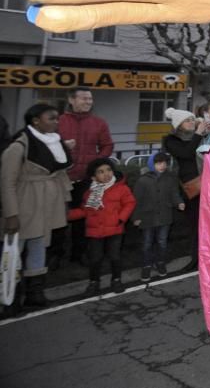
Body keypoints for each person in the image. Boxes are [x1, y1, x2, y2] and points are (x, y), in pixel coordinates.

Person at [1, 104, 72, 309]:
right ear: (35, 121)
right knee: (14, 250)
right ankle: (11, 298)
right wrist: (11, 214)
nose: (56, 122)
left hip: (46, 205)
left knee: (39, 247)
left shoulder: (54, 143)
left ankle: (35, 293)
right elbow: (7, 182)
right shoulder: (18, 147)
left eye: (57, 118)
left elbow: (58, 172)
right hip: (25, 204)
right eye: (51, 118)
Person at [54, 87, 113, 268]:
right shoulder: (58, 122)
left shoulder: (98, 122)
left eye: (90, 99)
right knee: (57, 218)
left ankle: (78, 254)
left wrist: (96, 164)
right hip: (60, 178)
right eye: (84, 98)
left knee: (84, 217)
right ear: (71, 100)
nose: (88, 102)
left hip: (86, 180)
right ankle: (55, 254)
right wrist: (62, 147)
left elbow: (107, 145)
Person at [68, 157, 136, 296]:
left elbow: (130, 203)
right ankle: (94, 282)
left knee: (115, 256)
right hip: (95, 231)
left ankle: (116, 279)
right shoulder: (90, 193)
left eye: (109, 170)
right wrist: (67, 215)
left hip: (115, 229)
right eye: (101, 172)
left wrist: (121, 218)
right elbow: (85, 210)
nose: (106, 174)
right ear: (93, 176)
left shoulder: (121, 188)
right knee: (95, 258)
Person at [162, 108, 210, 271]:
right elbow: (186, 153)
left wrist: (209, 133)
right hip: (191, 187)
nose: (192, 122)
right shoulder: (171, 140)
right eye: (188, 120)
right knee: (196, 224)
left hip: (208, 183)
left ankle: (208, 257)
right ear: (179, 125)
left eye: (192, 119)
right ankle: (196, 258)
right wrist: (198, 134)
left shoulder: (199, 137)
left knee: (209, 224)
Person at [133, 152, 185, 280]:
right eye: (158, 163)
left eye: (164, 163)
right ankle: (146, 266)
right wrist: (135, 217)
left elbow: (174, 193)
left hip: (165, 216)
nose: (162, 166)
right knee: (147, 243)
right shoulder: (143, 180)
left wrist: (179, 202)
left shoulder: (170, 178)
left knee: (162, 242)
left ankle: (160, 262)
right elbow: (136, 201)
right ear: (152, 164)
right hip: (147, 217)